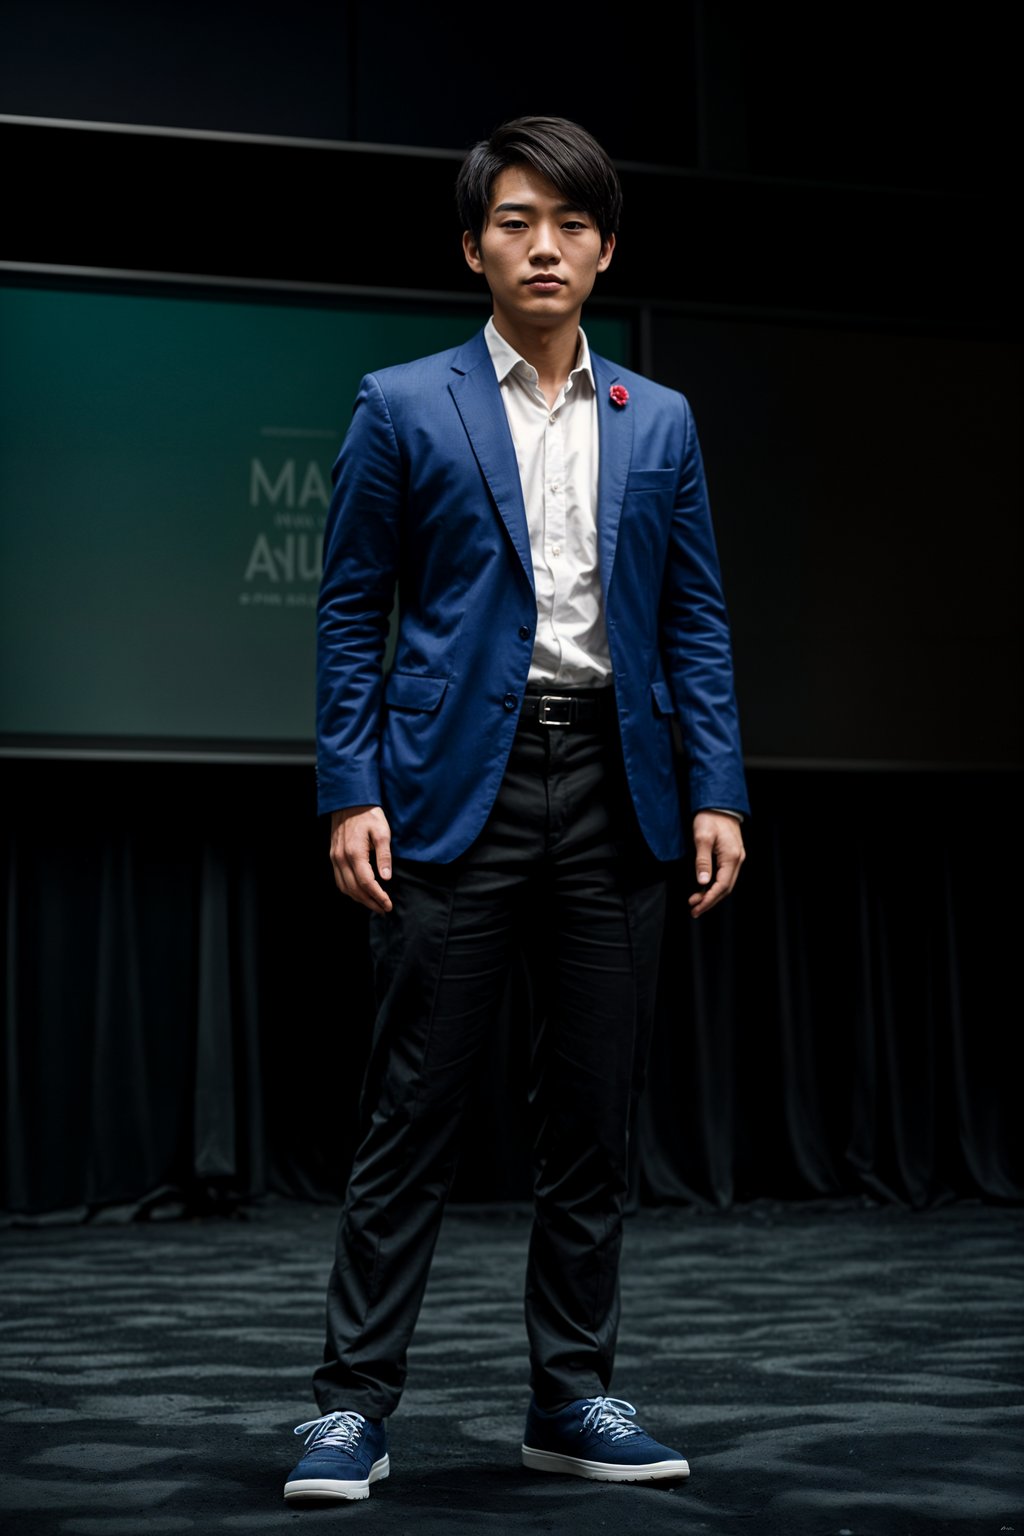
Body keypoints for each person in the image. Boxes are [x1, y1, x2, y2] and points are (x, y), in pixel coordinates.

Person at [284, 114, 749, 1505]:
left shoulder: (656, 418)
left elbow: (698, 622)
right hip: (451, 794)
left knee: (592, 1117)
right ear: (474, 245)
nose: (543, 245)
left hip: (620, 788)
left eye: (571, 224)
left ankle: (574, 1394)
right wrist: (349, 788)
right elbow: (351, 613)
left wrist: (717, 789)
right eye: (515, 222)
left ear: (605, 248)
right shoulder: (403, 403)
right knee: (412, 1112)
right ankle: (351, 1407)